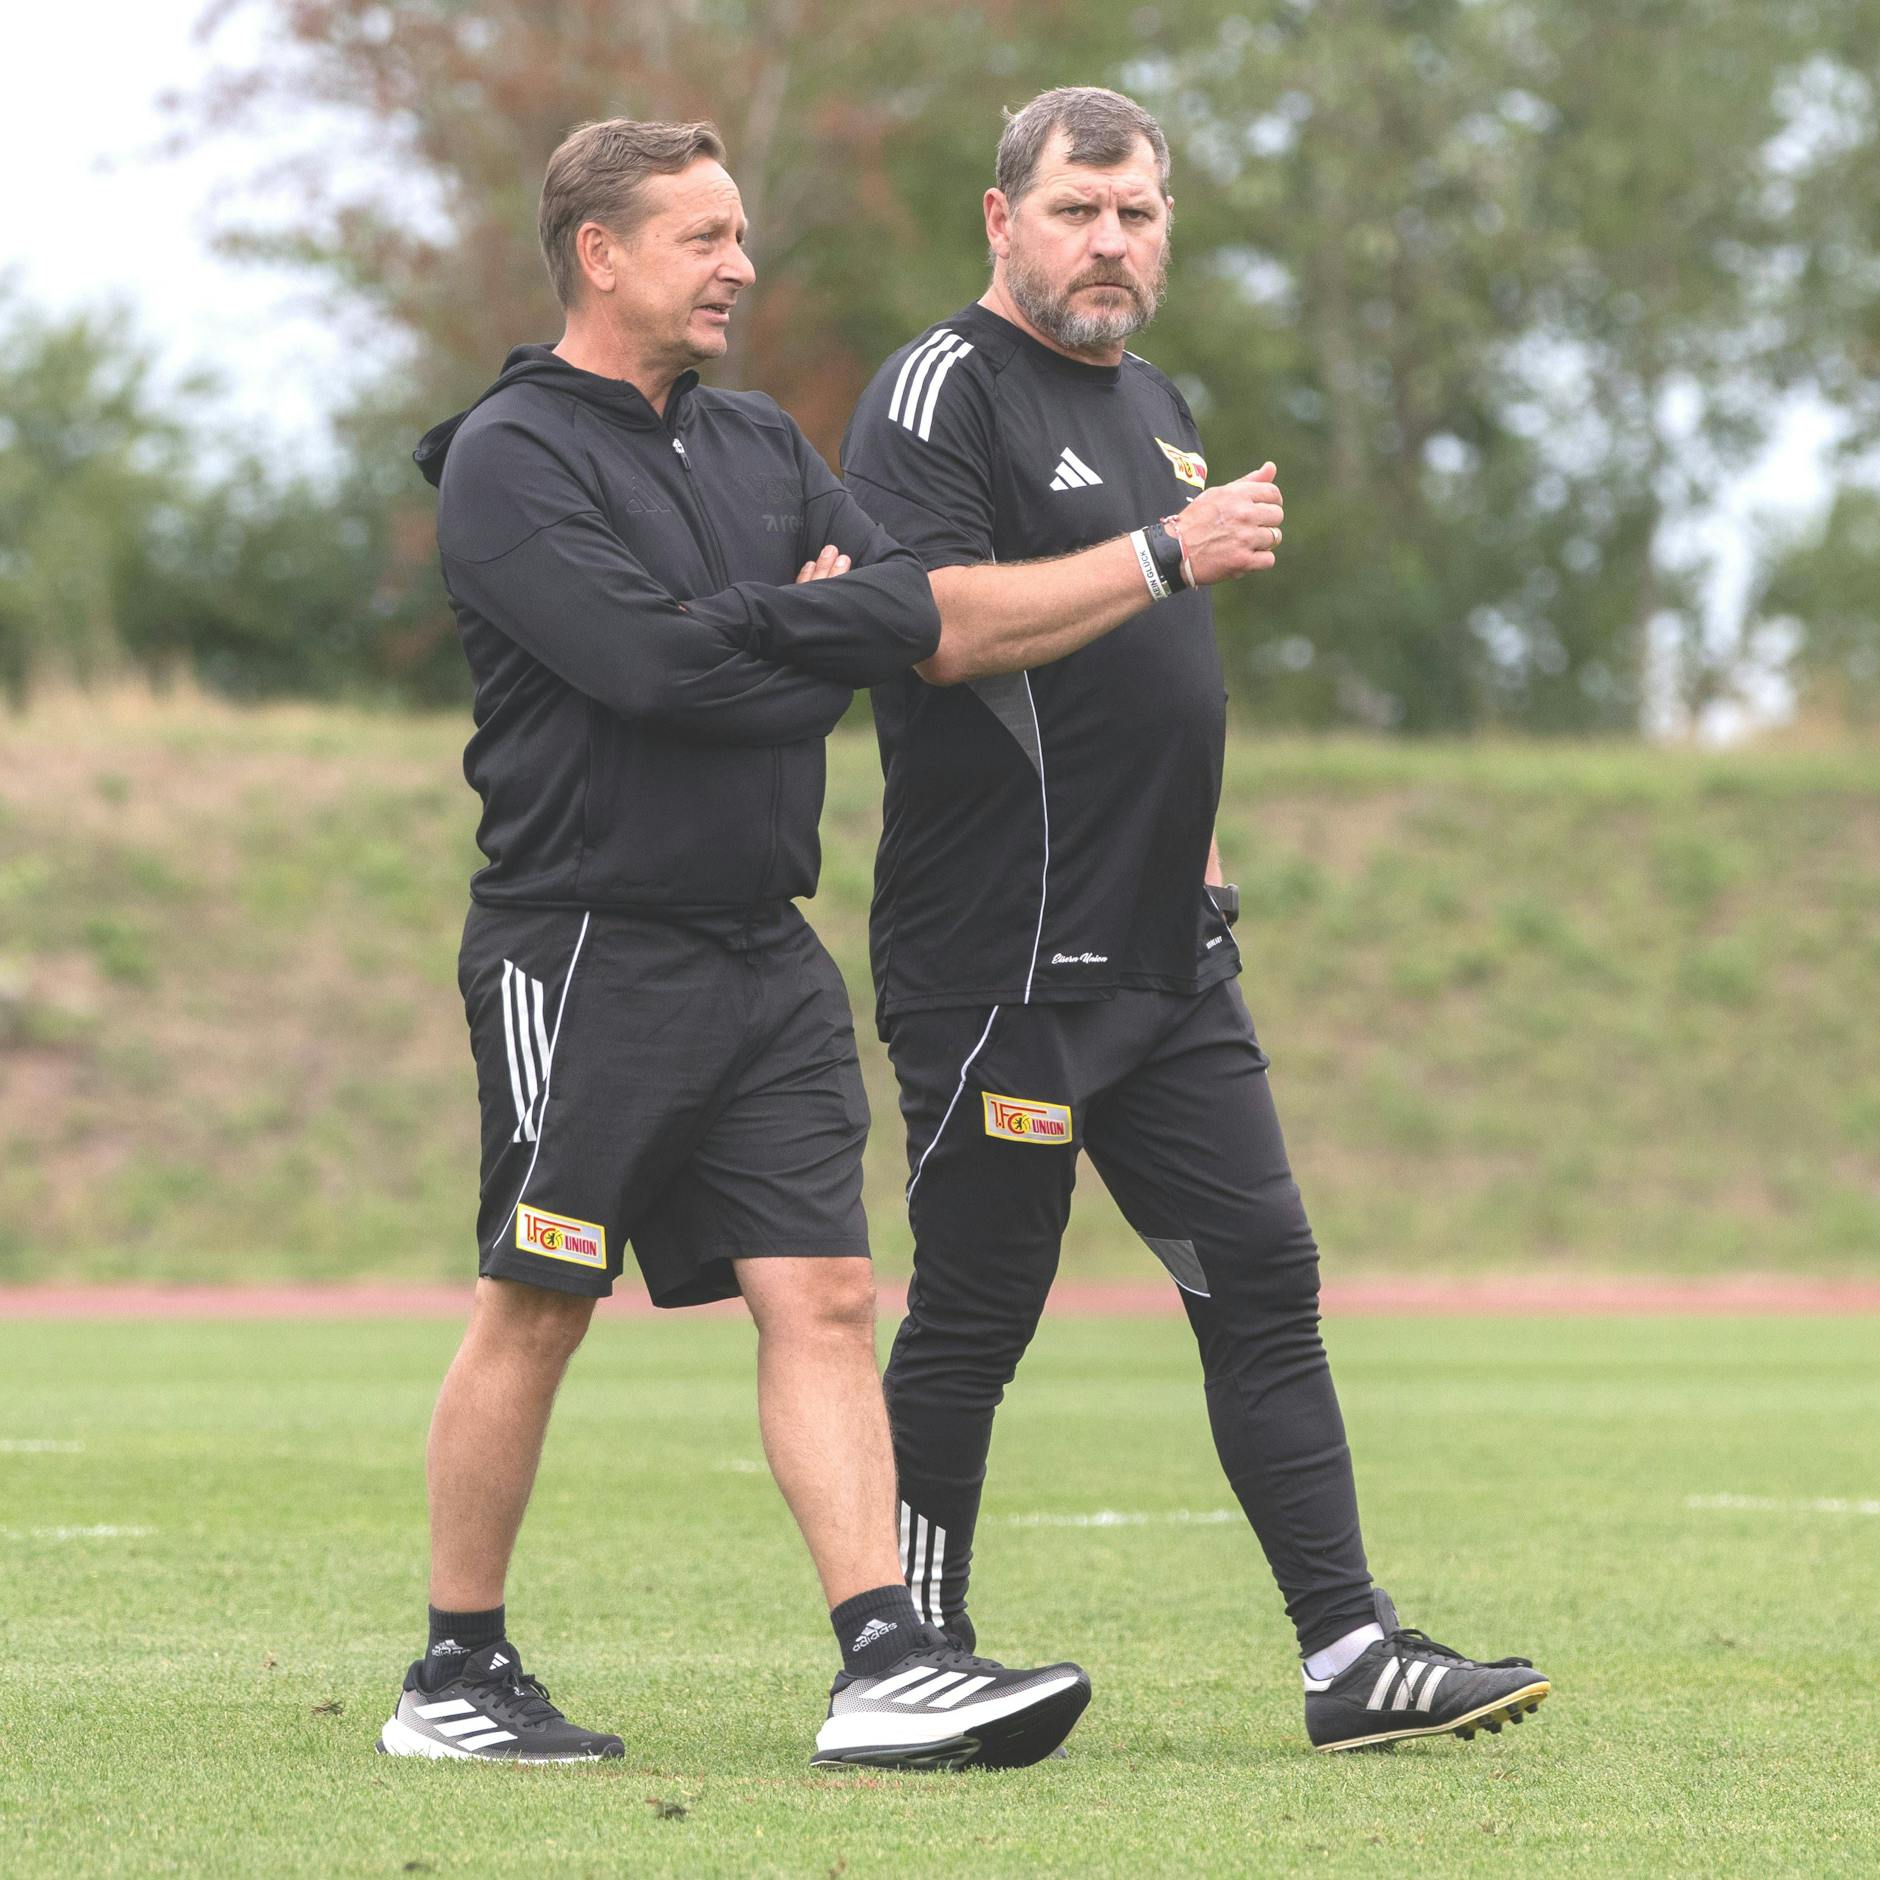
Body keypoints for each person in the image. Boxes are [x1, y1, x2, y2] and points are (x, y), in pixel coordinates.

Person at [840, 86, 1551, 1753]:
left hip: (1168, 954)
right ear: (1001, 218)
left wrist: (1206, 843)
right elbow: (936, 626)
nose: (1110, 241)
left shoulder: (1158, 400)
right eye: (1078, 209)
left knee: (1266, 1273)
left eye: (1137, 212)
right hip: (1002, 960)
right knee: (978, 1308)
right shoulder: (939, 390)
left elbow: (1161, 680)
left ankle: (1349, 1654)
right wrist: (1169, 548)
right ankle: (910, 1658)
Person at [384, 117, 1089, 1771]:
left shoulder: (763, 437)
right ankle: (453, 1675)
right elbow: (652, 675)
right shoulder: (510, 456)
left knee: (831, 1293)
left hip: (763, 954)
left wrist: (797, 626)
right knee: (538, 1302)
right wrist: (813, 630)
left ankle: (884, 1663)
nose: (742, 267)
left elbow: (910, 606)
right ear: (601, 253)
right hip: (583, 944)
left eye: (740, 234)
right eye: (703, 237)